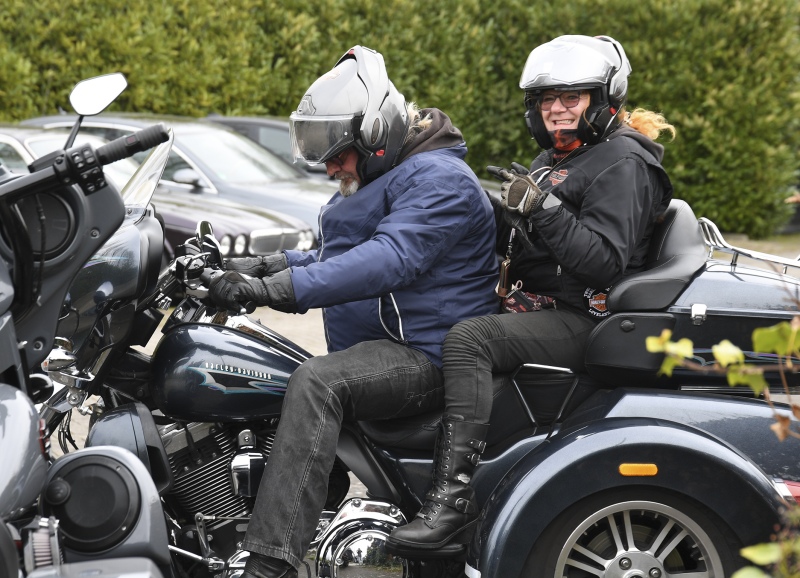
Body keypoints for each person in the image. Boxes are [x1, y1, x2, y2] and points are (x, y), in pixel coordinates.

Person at [206, 45, 498, 578]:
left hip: (430, 356)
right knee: (266, 371)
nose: (329, 167)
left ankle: (269, 563)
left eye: (339, 153)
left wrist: (272, 291)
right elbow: (338, 256)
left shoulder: (440, 180)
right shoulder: (394, 175)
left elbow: (388, 258)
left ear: (379, 134)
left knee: (318, 382)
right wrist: (256, 266)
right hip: (390, 346)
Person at [387, 34, 675, 551]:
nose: (557, 109)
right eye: (547, 99)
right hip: (542, 304)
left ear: (602, 99)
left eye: (571, 97)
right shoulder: (564, 156)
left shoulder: (623, 163)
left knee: (469, 339)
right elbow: (526, 236)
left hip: (587, 317)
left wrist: (543, 208)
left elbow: (603, 262)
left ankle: (452, 501)